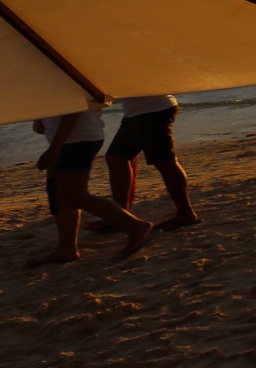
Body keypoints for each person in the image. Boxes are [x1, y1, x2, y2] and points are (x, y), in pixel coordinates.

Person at [30, 106, 155, 264]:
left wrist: (55, 148)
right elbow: (46, 123)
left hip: (76, 140)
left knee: (74, 195)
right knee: (64, 196)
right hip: (73, 139)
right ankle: (66, 249)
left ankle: (135, 226)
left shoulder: (68, 82)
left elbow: (73, 110)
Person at [104, 93, 198, 230]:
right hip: (136, 112)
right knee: (116, 158)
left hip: (153, 111)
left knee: (165, 162)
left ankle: (186, 213)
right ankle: (121, 216)